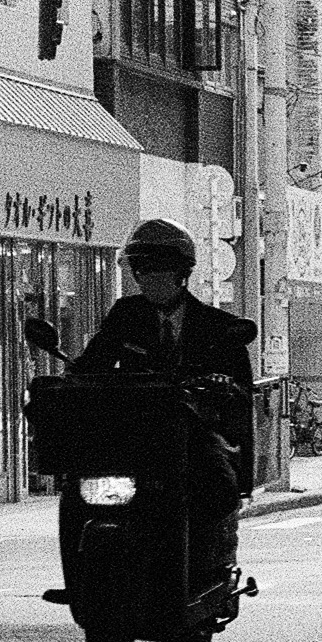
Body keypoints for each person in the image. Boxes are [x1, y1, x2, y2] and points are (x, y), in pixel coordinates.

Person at [70, 218, 258, 563]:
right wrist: (74, 372)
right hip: (135, 434)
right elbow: (94, 361)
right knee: (81, 488)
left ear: (181, 273)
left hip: (193, 435)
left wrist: (222, 385)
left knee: (218, 478)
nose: (149, 277)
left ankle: (212, 562)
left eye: (159, 269)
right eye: (142, 270)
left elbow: (242, 391)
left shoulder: (217, 326)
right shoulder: (125, 315)